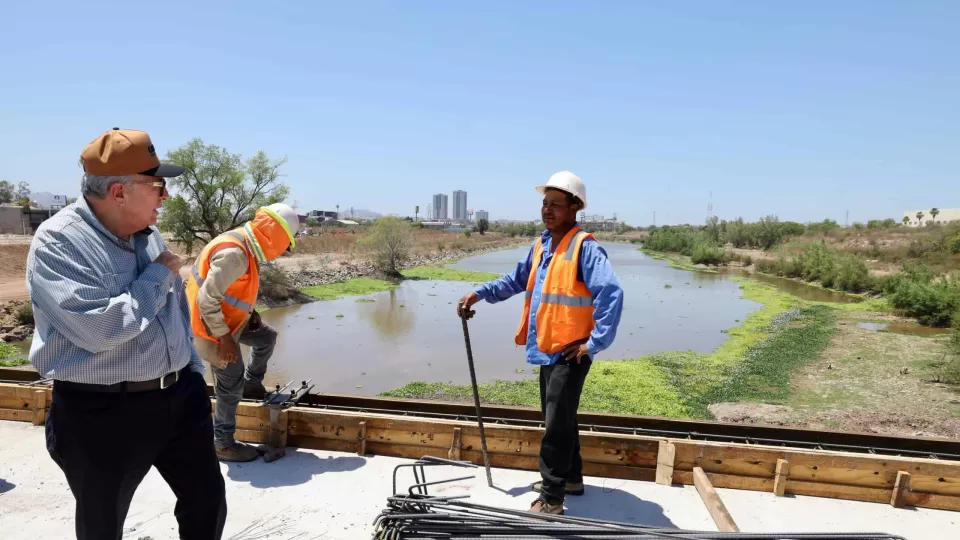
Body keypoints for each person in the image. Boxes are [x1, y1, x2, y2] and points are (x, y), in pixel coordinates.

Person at [26, 128, 227, 539]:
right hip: (101, 413)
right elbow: (100, 329)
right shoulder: (59, 243)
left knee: (206, 502)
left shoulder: (147, 233)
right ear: (119, 191)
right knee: (103, 522)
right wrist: (157, 274)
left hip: (177, 398)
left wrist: (190, 372)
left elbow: (172, 308)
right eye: (157, 185)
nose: (165, 196)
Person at [457, 171, 623, 515]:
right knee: (561, 418)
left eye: (556, 205)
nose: (547, 210)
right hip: (549, 349)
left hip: (571, 352)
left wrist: (592, 344)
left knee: (556, 426)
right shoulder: (543, 244)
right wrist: (479, 293)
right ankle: (572, 479)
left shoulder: (584, 248)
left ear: (574, 208)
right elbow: (516, 280)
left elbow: (612, 293)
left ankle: (551, 498)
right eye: (545, 204)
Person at [184, 202, 299, 462]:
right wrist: (225, 340)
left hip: (230, 321)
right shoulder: (235, 253)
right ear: (276, 235)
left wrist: (251, 313)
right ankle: (223, 444)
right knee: (229, 382)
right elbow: (206, 301)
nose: (283, 252)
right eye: (285, 244)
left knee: (266, 337)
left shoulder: (247, 246)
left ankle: (252, 384)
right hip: (210, 328)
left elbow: (234, 291)